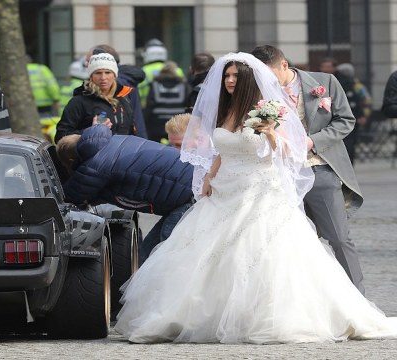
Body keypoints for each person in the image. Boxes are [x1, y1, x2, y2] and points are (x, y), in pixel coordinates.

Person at [115, 52, 397, 344]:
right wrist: (210, 176)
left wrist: (272, 132)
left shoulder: (269, 108)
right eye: (226, 76)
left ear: (249, 79)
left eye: (236, 76)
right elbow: (222, 150)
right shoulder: (223, 111)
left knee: (264, 252)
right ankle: (198, 314)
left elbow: (288, 151)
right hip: (226, 189)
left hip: (260, 189)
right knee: (208, 251)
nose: (229, 81)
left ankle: (264, 315)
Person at [252, 45, 365, 294]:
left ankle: (358, 299)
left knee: (339, 238)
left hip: (320, 168)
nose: (266, 81)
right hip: (278, 176)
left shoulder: (325, 82)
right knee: (291, 242)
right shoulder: (257, 91)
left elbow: (346, 120)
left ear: (284, 65)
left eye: (269, 74)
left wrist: (314, 142)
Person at [56, 124, 194, 264]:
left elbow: (71, 196)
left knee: (167, 252)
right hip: (192, 184)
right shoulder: (111, 140)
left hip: (188, 195)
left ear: (71, 160)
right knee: (148, 251)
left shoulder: (94, 165)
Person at [54, 52, 134, 144]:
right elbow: (60, 137)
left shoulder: (124, 98)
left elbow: (131, 132)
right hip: (93, 157)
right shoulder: (78, 102)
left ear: (114, 75)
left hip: (123, 155)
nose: (103, 77)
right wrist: (91, 132)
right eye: (98, 73)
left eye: (107, 72)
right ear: (91, 76)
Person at [90, 45, 148, 138]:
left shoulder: (113, 86)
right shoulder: (127, 80)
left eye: (90, 61)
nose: (87, 64)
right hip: (133, 140)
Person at [336, 63, 372, 166]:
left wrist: (363, 114)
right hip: (352, 117)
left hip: (350, 117)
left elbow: (364, 100)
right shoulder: (352, 84)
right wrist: (363, 115)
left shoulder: (355, 85)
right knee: (350, 143)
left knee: (350, 143)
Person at [144, 61, 188, 142]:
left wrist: (145, 121)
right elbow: (187, 103)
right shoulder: (182, 84)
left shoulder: (155, 84)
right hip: (177, 123)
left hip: (157, 123)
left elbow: (150, 104)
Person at [138, 39, 185, 106]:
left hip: (150, 107)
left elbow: (139, 91)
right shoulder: (177, 70)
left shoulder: (143, 70)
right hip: (175, 106)